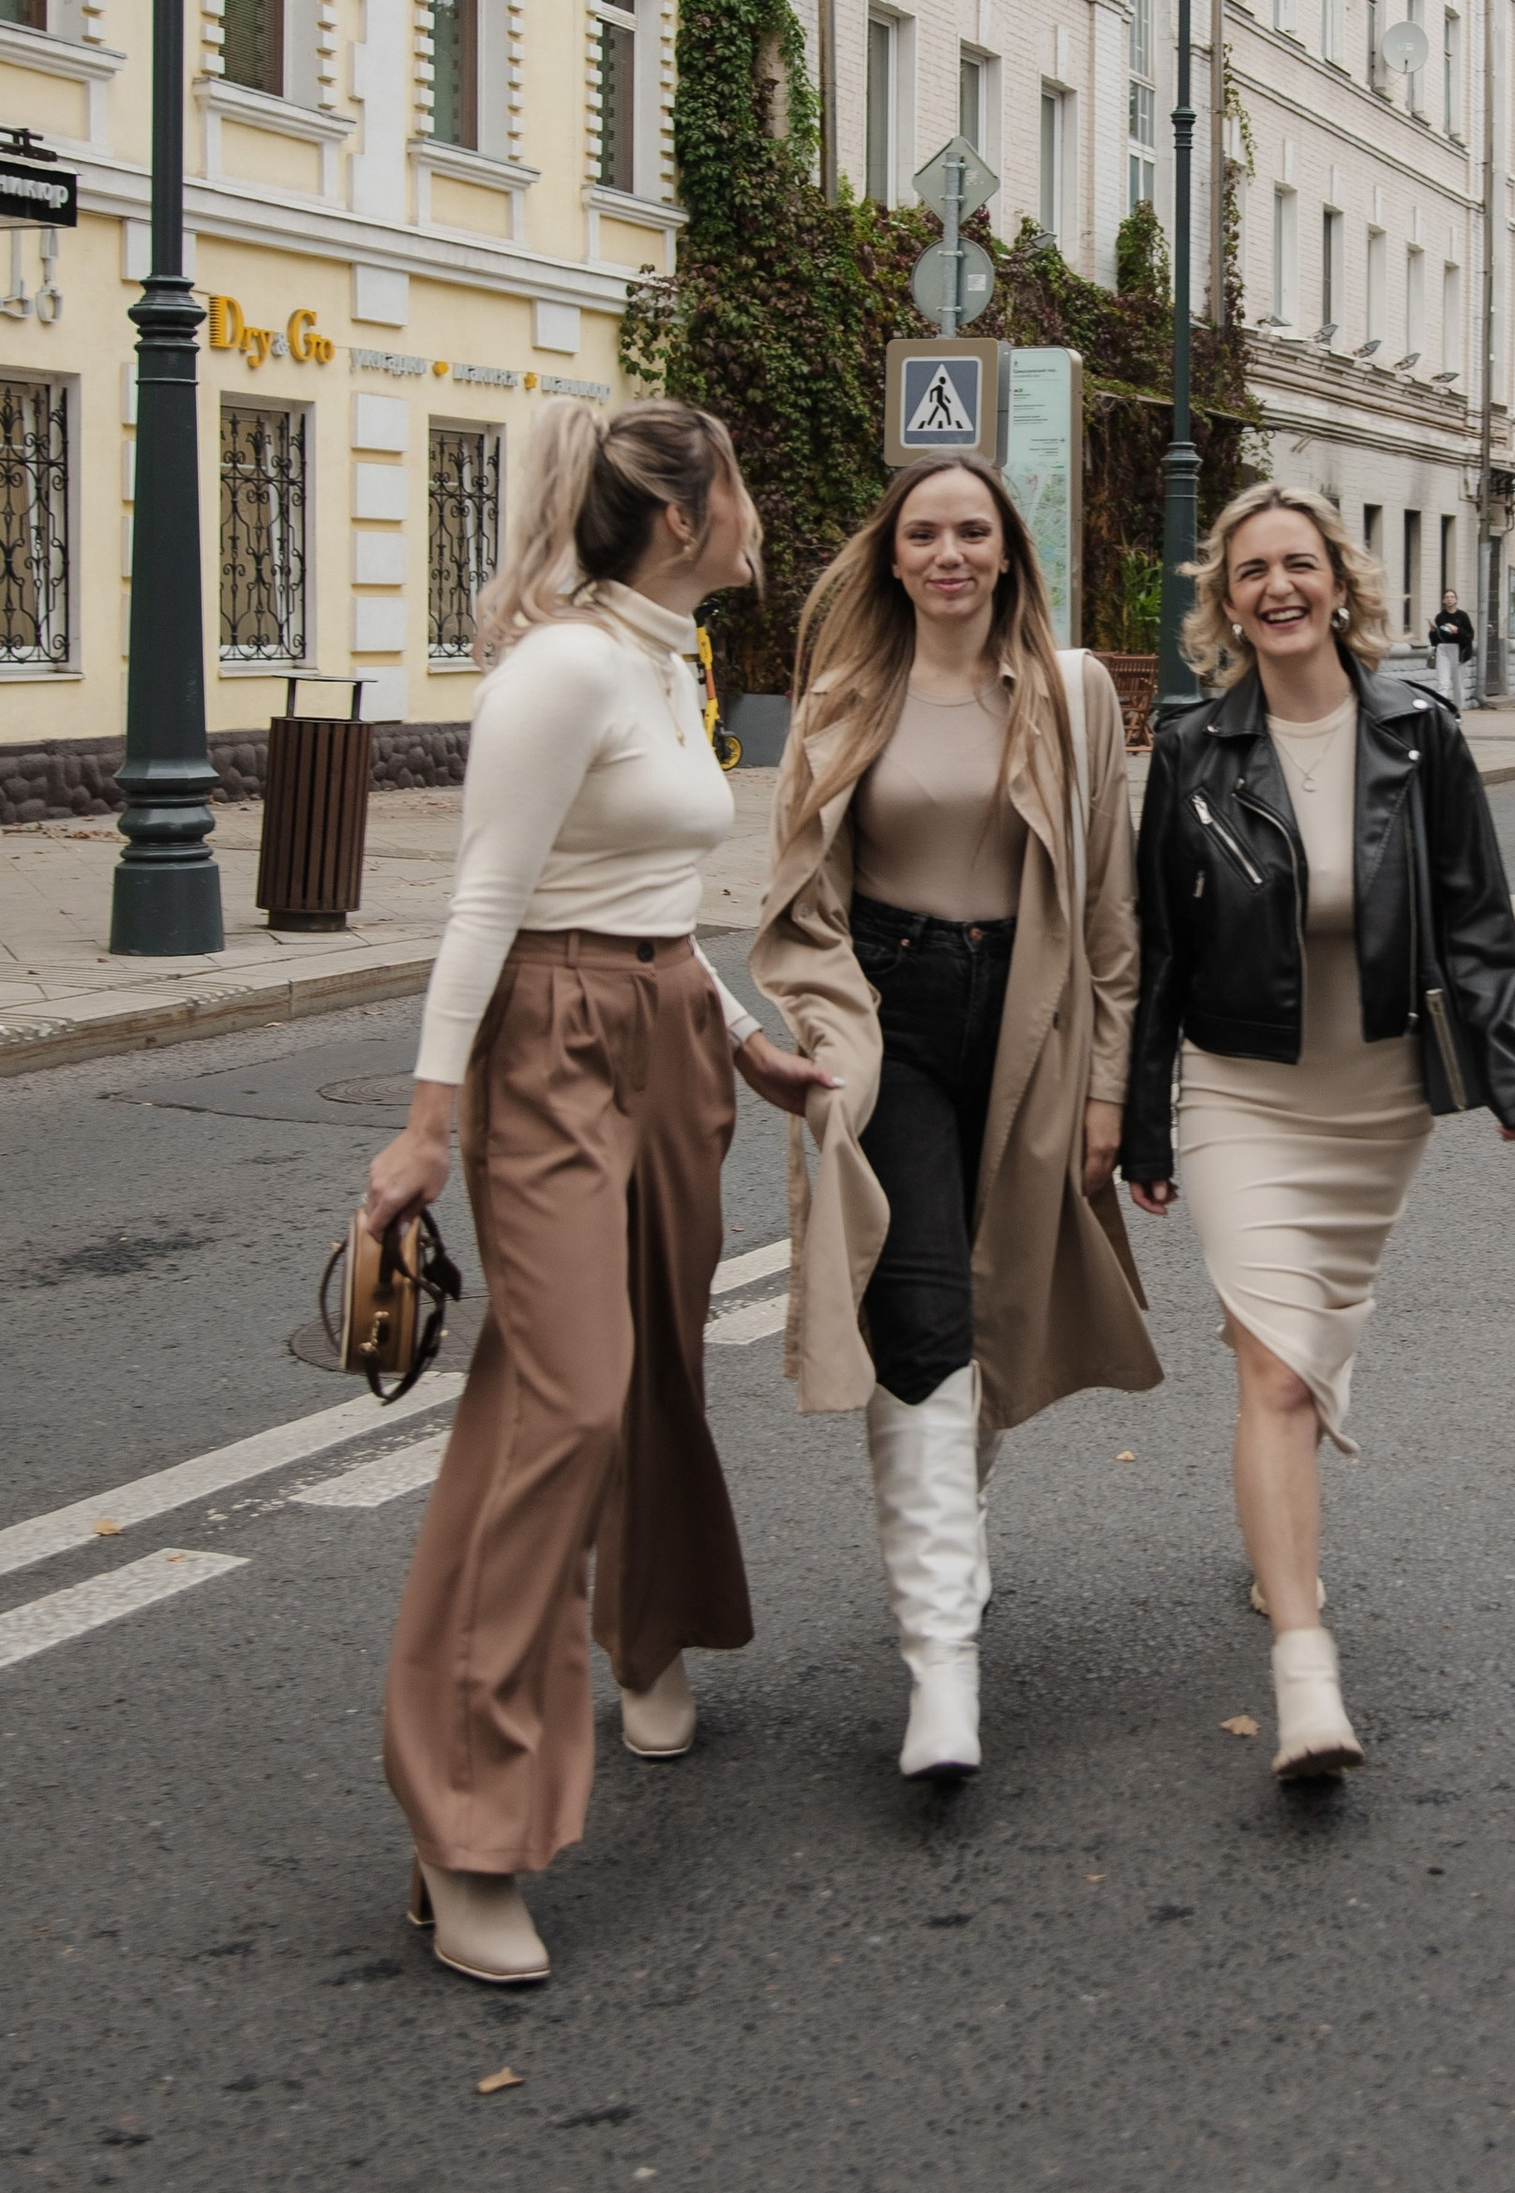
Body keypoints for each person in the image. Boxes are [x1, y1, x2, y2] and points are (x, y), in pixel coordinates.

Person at [366, 401, 832, 1990]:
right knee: (562, 1400)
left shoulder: (659, 653)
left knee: (656, 1358)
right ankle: (466, 1827)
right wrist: (426, 1131)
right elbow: (489, 902)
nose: (758, 510)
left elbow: (638, 883)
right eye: (743, 488)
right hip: (554, 1047)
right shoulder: (563, 667)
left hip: (664, 1025)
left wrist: (736, 1031)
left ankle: (645, 1635)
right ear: (686, 517)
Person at [1125, 484, 1515, 1780]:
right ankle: (1306, 1671)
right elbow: (1152, 948)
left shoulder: (1418, 731)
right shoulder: (1195, 748)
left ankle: (1283, 1493)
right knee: (1278, 1375)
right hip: (1239, 1087)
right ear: (1228, 598)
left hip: (1373, 1100)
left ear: (1340, 585)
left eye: (1298, 564)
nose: (1277, 588)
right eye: (1251, 570)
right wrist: (1142, 1120)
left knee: (1303, 1352)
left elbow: (1475, 913)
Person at [749, 460, 1157, 1781]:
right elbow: (801, 904)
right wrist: (827, 1041)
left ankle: (952, 1533)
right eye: (923, 533)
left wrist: (1106, 1083)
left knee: (997, 1300)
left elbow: (1108, 910)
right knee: (920, 1305)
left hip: (1031, 1019)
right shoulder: (840, 704)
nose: (948, 554)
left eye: (971, 531)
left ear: (1007, 550)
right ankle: (941, 1667)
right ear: (893, 555)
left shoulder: (1071, 694)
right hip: (893, 1019)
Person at [1425, 585, 1476, 707]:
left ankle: (1458, 710)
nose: (1449, 599)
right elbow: (1435, 640)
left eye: (1452, 597)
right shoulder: (1440, 617)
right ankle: (1442, 710)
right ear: (1443, 601)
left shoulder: (1462, 616)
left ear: (1456, 600)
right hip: (1443, 650)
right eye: (1447, 597)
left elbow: (1470, 636)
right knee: (1443, 683)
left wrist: (1457, 630)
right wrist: (1432, 630)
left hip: (1459, 651)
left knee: (1458, 684)